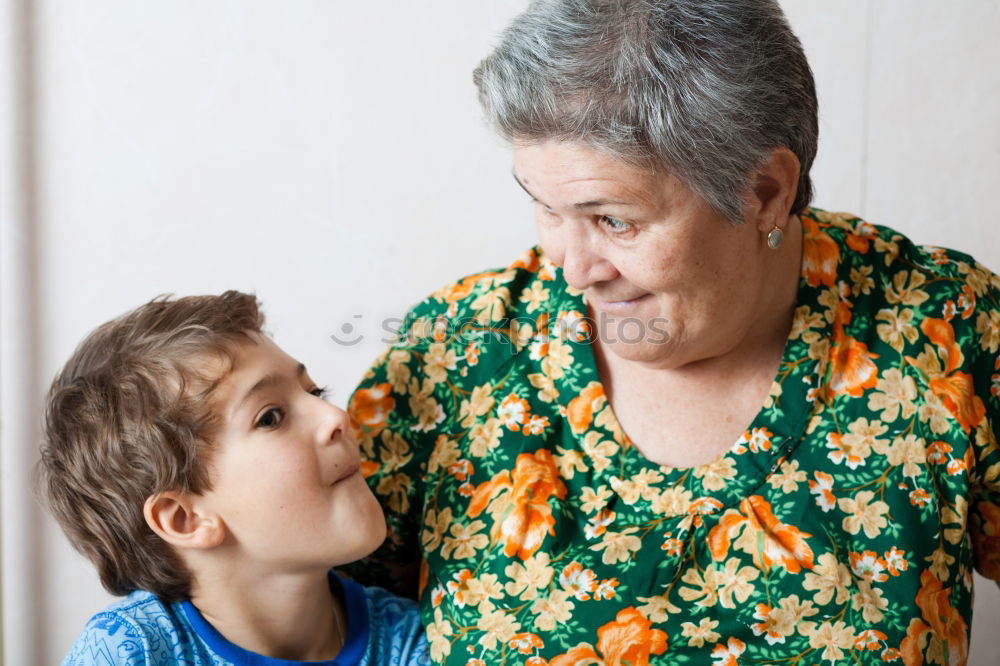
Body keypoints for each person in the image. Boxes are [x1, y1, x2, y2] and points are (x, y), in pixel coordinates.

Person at [343, 0, 1000, 663]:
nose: (571, 270)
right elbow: (306, 623)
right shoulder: (453, 355)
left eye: (613, 221)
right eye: (545, 207)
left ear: (765, 191)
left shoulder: (946, 331)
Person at [38, 291, 429, 666]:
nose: (336, 417)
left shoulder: (415, 640)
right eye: (271, 417)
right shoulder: (131, 650)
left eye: (316, 392)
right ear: (184, 518)